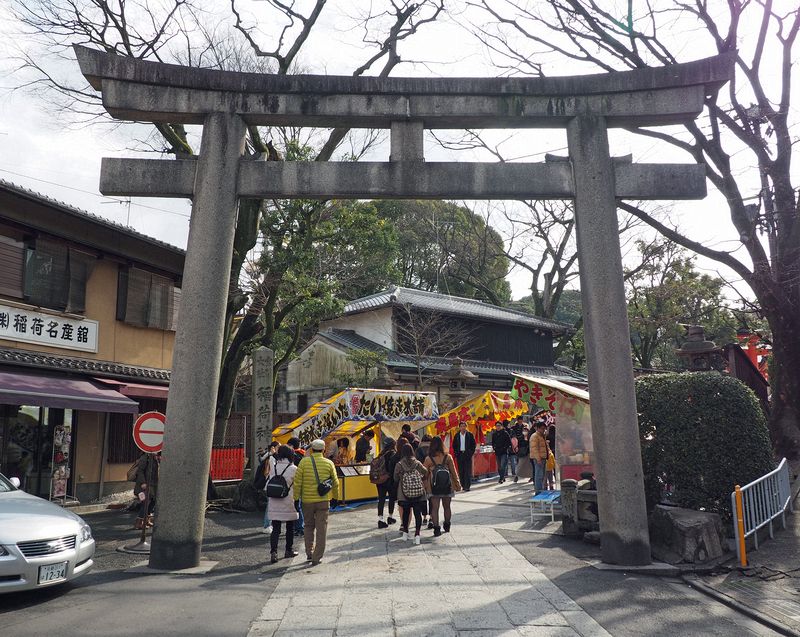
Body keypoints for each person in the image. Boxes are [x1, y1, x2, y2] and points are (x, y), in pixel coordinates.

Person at [293, 439, 340, 565]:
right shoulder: (329, 463)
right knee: (321, 528)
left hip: (307, 501)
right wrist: (336, 497)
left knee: (308, 526)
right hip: (323, 501)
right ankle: (317, 556)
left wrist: (296, 499)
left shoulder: (303, 462)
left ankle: (309, 553)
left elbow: (297, 483)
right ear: (324, 450)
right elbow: (335, 483)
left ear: (312, 449)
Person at [267, 444, 300, 563]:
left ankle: (273, 552)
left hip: (275, 500)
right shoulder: (293, 469)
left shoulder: (274, 467)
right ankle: (288, 550)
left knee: (276, 528)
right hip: (288, 501)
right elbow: (296, 485)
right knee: (290, 527)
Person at [424, 435, 461, 536]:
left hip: (433, 487)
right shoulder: (447, 457)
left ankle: (436, 529)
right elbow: (453, 472)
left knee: (434, 508)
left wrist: (425, 486)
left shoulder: (428, 459)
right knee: (447, 507)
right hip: (447, 486)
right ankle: (447, 525)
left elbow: (425, 474)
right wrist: (457, 484)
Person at [393, 443, 428, 545]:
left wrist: (401, 476)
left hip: (404, 493)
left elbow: (395, 478)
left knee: (406, 512)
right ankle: (417, 535)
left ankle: (405, 532)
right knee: (417, 514)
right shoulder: (417, 463)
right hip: (417, 492)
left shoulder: (399, 464)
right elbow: (425, 472)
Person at [373, 437, 397, 528]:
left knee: (381, 499)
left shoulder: (381, 454)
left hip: (380, 480)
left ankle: (380, 519)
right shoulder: (393, 454)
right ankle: (390, 517)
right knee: (391, 498)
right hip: (389, 479)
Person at [133, 451, 160, 530]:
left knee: (153, 502)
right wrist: (143, 482)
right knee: (146, 502)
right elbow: (140, 471)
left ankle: (146, 520)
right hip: (145, 484)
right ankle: (139, 522)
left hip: (154, 484)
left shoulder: (156, 457)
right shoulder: (146, 457)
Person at [388, 436, 409, 533]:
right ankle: (407, 525)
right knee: (410, 506)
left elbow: (392, 473)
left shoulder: (394, 458)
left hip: (398, 485)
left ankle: (402, 523)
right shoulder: (412, 458)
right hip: (410, 484)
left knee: (401, 504)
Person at [287, 437, 305, 536]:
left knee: (296, 506)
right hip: (302, 483)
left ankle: (299, 527)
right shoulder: (304, 454)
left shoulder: (293, 455)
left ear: (292, 446)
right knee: (298, 506)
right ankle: (299, 527)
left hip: (294, 484)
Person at [451, 421, 476, 492]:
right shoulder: (457, 435)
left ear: (466, 427)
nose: (463, 428)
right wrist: (456, 453)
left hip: (467, 454)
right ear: (459, 427)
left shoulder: (469, 435)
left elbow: (473, 445)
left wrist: (470, 453)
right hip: (460, 454)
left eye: (464, 426)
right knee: (461, 470)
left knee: (467, 470)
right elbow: (454, 445)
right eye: (461, 426)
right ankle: (463, 484)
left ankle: (467, 486)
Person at [261, 441, 279, 534]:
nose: (279, 449)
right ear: (273, 448)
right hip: (270, 485)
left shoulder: (271, 457)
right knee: (270, 506)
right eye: (278, 447)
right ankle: (267, 525)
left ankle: (268, 524)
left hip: (270, 485)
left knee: (271, 505)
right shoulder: (271, 458)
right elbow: (267, 472)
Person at [415, 434, 432, 527]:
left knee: (423, 498)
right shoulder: (433, 449)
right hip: (431, 476)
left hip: (421, 476)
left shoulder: (418, 450)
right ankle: (431, 518)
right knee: (431, 498)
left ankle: (424, 517)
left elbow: (417, 463)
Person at [529, 421, 549, 493]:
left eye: (544, 429)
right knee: (539, 476)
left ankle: (541, 490)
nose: (543, 430)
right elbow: (534, 448)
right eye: (542, 429)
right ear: (537, 428)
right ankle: (538, 491)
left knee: (542, 475)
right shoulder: (535, 436)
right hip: (538, 458)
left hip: (542, 457)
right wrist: (538, 459)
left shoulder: (541, 436)